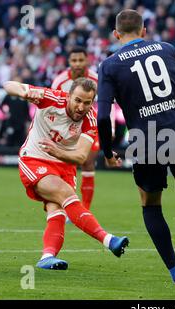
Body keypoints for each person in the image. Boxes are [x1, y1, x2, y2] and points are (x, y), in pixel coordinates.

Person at [97, 9, 175, 298]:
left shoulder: (109, 65)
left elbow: (102, 116)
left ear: (116, 35)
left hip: (146, 137)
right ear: (144, 30)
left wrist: (107, 150)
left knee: (150, 205)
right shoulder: (168, 49)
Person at [3, 78, 129, 270]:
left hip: (65, 165)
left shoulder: (90, 119)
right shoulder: (50, 98)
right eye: (77, 100)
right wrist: (24, 92)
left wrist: (57, 152)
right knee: (66, 195)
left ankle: (47, 256)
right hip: (35, 159)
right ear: (69, 96)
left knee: (57, 210)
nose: (81, 107)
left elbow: (80, 157)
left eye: (87, 103)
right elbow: (8, 85)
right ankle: (109, 240)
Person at [52, 46, 111, 210]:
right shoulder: (60, 81)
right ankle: (63, 204)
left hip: (90, 127)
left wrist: (109, 128)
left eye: (81, 60)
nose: (77, 64)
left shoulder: (97, 79)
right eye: (74, 60)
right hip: (66, 128)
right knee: (63, 165)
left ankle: (85, 208)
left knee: (87, 162)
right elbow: (51, 106)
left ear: (87, 60)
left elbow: (108, 104)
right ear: (68, 62)